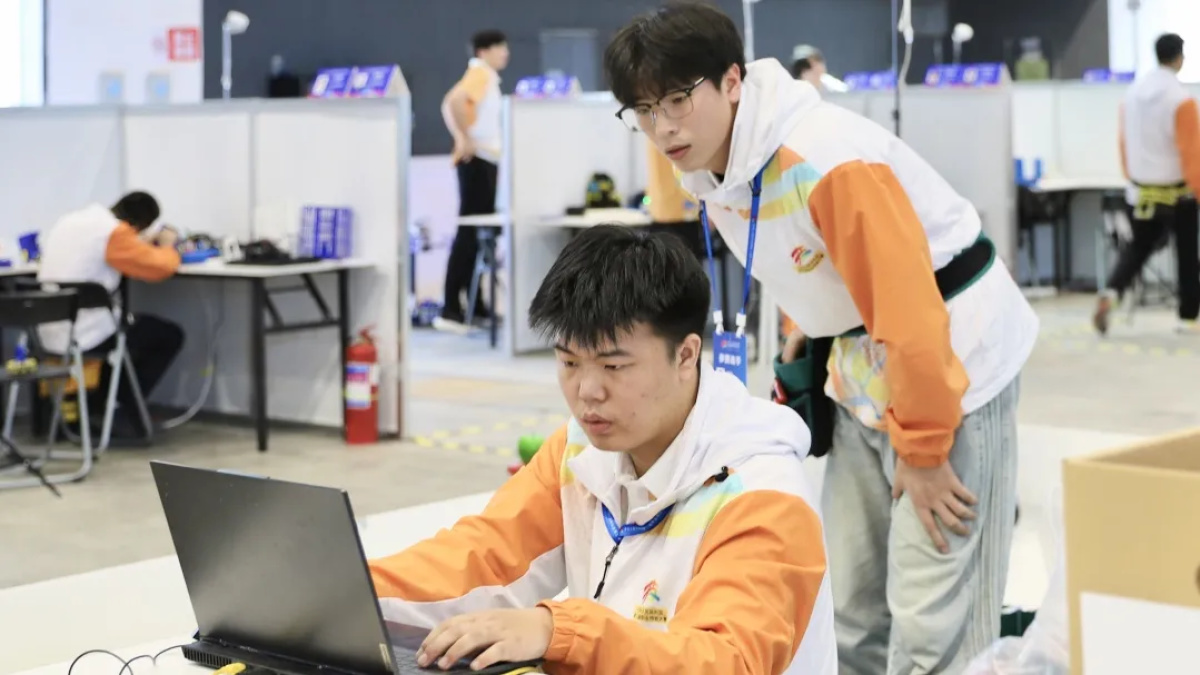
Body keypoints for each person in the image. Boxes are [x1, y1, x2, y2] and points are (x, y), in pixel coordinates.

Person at [604, 4, 1038, 674]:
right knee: (850, 609)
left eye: (678, 99)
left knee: (935, 623)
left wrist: (925, 451)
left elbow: (909, 307)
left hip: (949, 362)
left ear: (731, 81)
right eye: (643, 108)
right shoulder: (717, 167)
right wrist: (803, 329)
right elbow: (805, 253)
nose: (662, 126)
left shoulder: (827, 158)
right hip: (857, 364)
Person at [369, 225, 837, 674]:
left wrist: (561, 632)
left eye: (614, 366)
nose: (587, 392)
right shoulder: (579, 451)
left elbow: (726, 661)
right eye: (569, 361)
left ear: (686, 355)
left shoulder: (762, 493)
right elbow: (486, 558)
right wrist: (350, 589)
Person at [37, 191, 184, 436]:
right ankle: (120, 411)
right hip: (84, 334)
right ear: (139, 225)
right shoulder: (113, 232)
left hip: (45, 330)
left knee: (129, 333)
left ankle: (103, 407)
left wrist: (138, 244)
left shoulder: (71, 222)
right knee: (167, 335)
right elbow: (160, 268)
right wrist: (169, 246)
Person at [1094, 33, 1200, 335]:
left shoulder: (1132, 95)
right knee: (1186, 255)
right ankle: (1187, 317)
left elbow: (1123, 142)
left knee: (1138, 248)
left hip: (1141, 192)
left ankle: (1112, 291)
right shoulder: (1181, 99)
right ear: (1179, 58)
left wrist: (1132, 177)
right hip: (1178, 194)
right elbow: (1191, 152)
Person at [435, 29, 510, 333]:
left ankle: (474, 305)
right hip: (477, 160)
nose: (505, 53)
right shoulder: (481, 74)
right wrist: (464, 138)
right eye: (499, 47)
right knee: (469, 233)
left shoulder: (486, 77)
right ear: (484, 51)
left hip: (484, 160)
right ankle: (451, 308)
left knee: (480, 235)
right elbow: (453, 101)